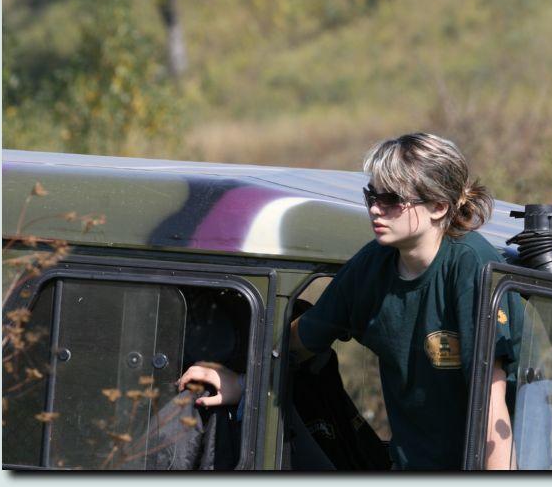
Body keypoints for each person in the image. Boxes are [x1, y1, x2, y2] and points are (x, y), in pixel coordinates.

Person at [178, 132, 520, 470]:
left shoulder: (470, 267)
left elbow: (492, 408)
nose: (375, 209)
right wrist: (244, 382)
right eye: (371, 195)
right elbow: (299, 342)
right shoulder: (372, 267)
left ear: (439, 206)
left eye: (391, 199)